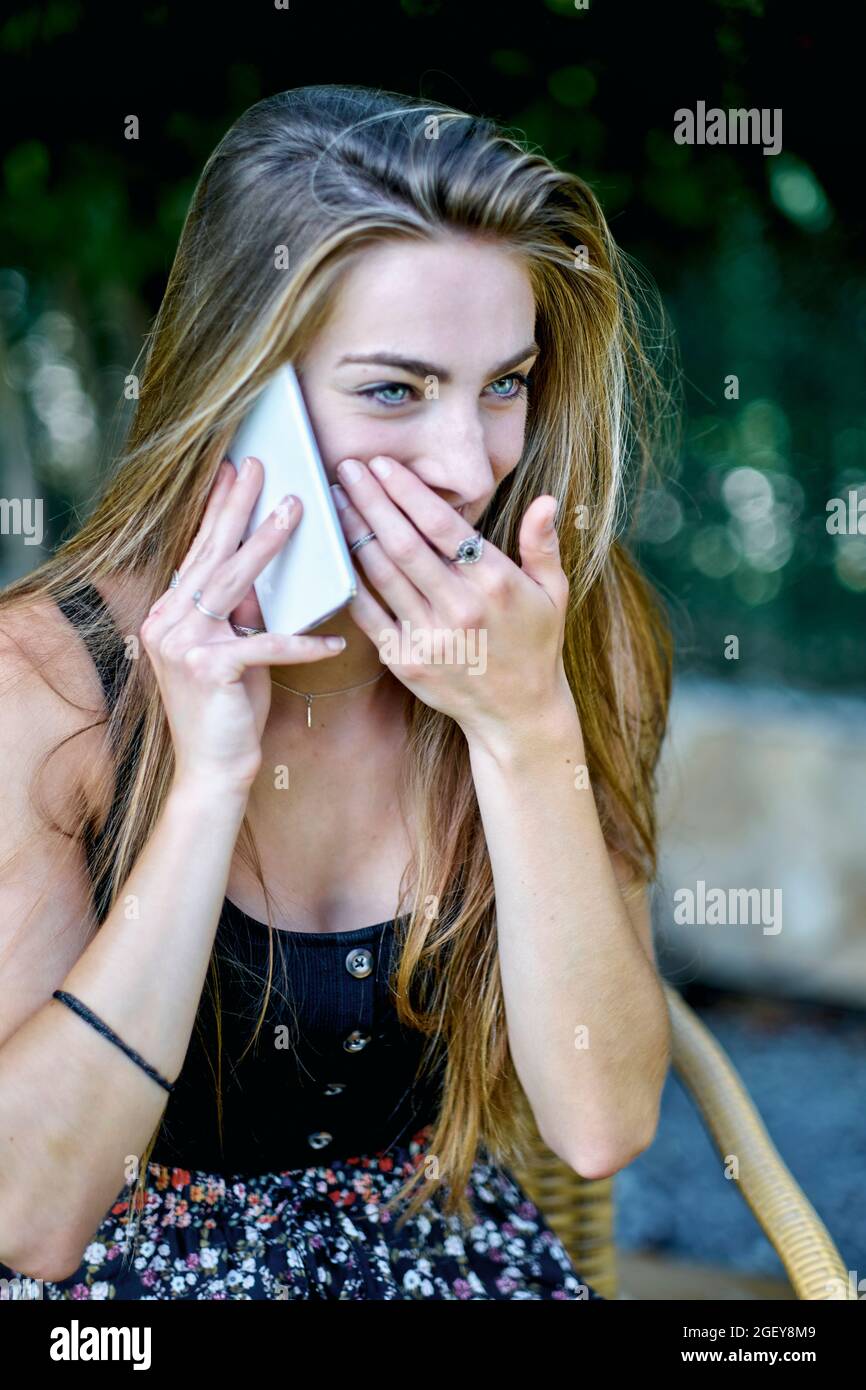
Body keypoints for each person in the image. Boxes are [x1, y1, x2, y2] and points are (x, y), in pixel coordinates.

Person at [0, 84, 675, 1300]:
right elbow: (33, 1217)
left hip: (440, 1253)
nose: (470, 464)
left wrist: (524, 735)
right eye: (393, 391)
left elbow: (599, 1123)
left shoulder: (566, 636)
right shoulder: (47, 687)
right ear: (237, 394)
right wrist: (204, 782)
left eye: (505, 383)